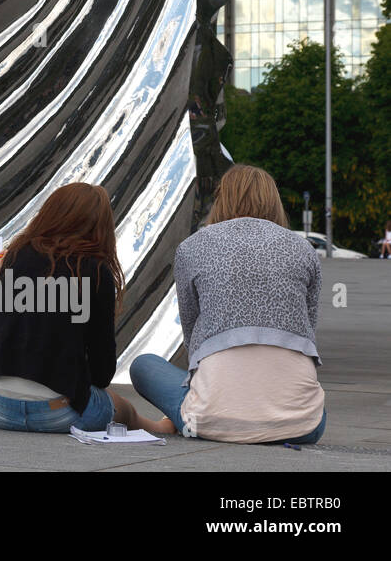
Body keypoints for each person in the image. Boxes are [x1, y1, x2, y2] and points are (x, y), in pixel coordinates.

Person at [129, 164, 326, 445]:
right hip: (302, 426)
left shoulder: (192, 247)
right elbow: (308, 328)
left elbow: (191, 332)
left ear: (222, 199)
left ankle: (192, 411)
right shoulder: (304, 249)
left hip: (208, 422)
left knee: (143, 365)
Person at [0, 183, 169, 434]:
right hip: (59, 414)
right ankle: (159, 427)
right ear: (100, 227)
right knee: (122, 408)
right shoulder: (95, 271)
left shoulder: (14, 257)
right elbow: (102, 375)